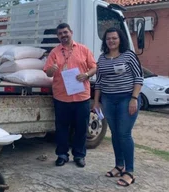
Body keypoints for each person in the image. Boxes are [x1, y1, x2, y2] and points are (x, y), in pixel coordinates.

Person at [93, 27, 143, 187]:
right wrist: (96, 102)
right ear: (105, 41)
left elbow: (138, 77)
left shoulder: (129, 56)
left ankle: (130, 171)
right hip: (108, 100)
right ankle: (119, 166)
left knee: (124, 134)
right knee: (115, 133)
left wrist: (134, 98)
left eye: (114, 38)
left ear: (120, 39)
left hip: (127, 99)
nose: (111, 41)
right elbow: (99, 82)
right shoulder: (102, 58)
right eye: (108, 38)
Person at [43, 23, 97, 168]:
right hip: (61, 97)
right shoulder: (54, 52)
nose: (63, 35)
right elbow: (47, 72)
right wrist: (51, 70)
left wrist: (86, 75)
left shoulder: (83, 49)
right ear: (58, 36)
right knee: (61, 128)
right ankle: (62, 155)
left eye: (65, 32)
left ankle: (79, 155)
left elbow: (94, 67)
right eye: (60, 34)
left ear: (71, 32)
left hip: (81, 97)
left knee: (81, 128)